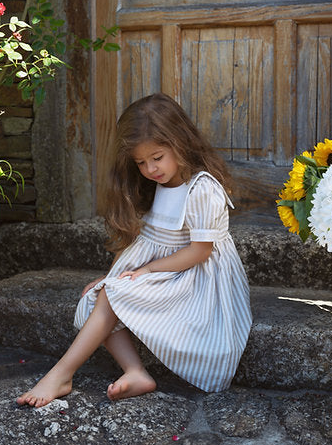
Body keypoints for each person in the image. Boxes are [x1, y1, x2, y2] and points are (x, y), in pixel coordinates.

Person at [17, 93, 252, 408]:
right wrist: (111, 277)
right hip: (166, 273)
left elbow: (199, 252)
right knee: (97, 297)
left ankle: (61, 374)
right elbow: (136, 245)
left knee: (112, 297)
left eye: (157, 157)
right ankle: (135, 370)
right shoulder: (156, 185)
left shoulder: (202, 189)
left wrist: (146, 271)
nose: (150, 168)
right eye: (141, 162)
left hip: (197, 281)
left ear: (180, 143)